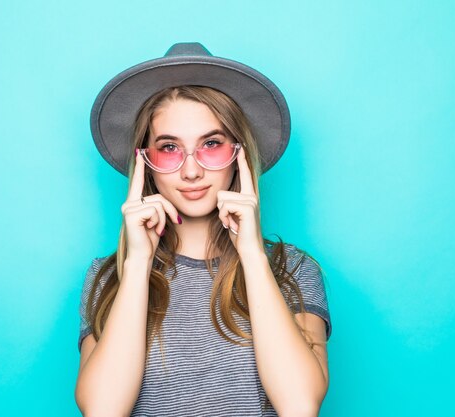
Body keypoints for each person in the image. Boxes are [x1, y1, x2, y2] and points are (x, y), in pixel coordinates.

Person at [75, 42, 332, 417]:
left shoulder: (291, 269)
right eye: (169, 147)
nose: (192, 170)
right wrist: (138, 265)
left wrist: (251, 256)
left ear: (239, 154)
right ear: (144, 162)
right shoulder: (108, 276)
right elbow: (102, 410)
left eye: (211, 144)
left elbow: (299, 406)